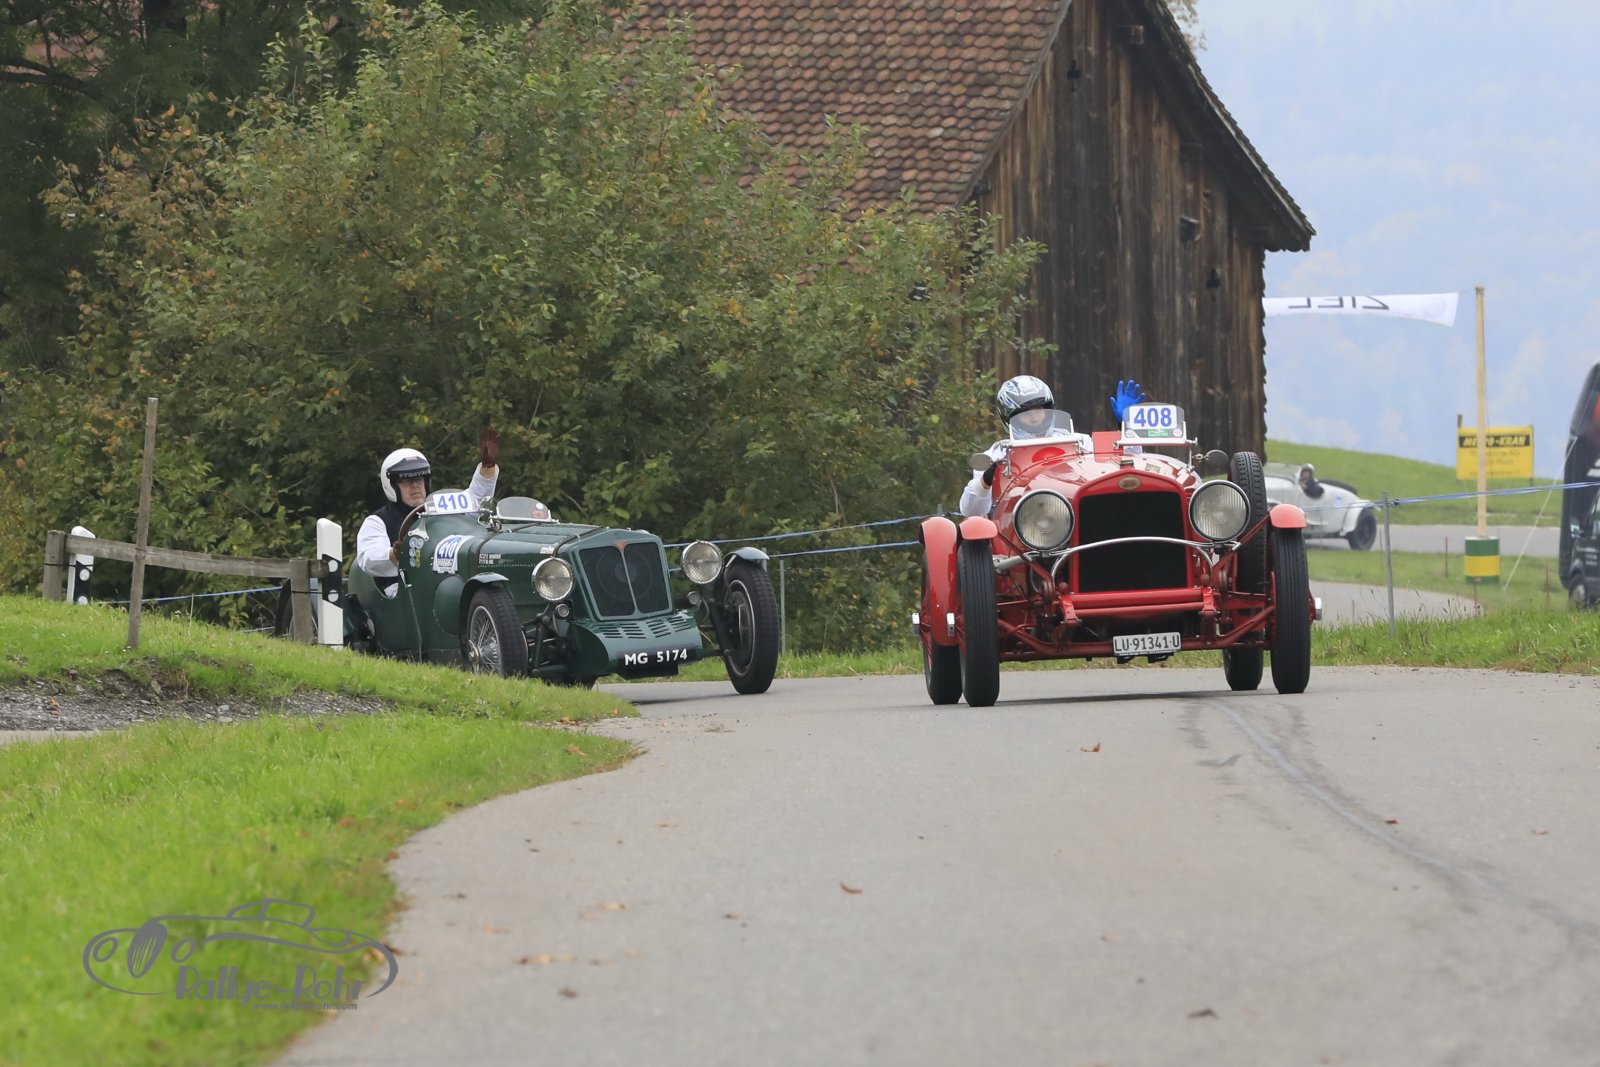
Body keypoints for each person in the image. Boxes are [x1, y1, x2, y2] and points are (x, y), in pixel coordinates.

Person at [958, 376, 1147, 517]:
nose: (1034, 416)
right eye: (1025, 412)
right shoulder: (997, 453)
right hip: (1023, 523)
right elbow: (970, 511)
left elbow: (1128, 463)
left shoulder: (1078, 441)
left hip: (1078, 512)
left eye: (1038, 409)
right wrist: (986, 480)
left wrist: (1127, 425)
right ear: (1009, 417)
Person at [355, 428, 500, 596]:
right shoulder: (378, 520)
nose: (415, 486)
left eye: (419, 479)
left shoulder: (441, 506)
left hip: (446, 587)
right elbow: (367, 558)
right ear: (392, 485)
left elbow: (474, 503)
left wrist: (487, 468)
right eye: (406, 481)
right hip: (401, 592)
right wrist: (393, 555)